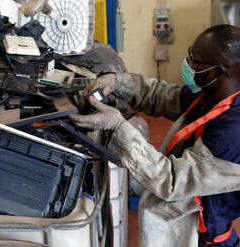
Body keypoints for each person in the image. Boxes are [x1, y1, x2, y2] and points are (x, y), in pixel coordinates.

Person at [70, 24, 240, 247]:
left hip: (201, 237)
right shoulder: (214, 93)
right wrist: (118, 82)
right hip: (182, 220)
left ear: (218, 71)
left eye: (195, 61)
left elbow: (170, 180)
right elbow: (163, 96)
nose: (188, 64)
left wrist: (118, 127)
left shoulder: (233, 134)